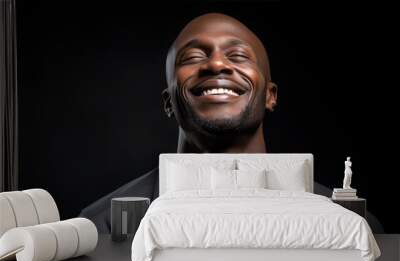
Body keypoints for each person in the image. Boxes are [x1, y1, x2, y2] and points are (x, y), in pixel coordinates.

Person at [79, 13, 384, 233]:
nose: (216, 63)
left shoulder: (348, 222)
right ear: (169, 102)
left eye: (238, 55)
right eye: (194, 56)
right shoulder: (102, 225)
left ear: (270, 96)